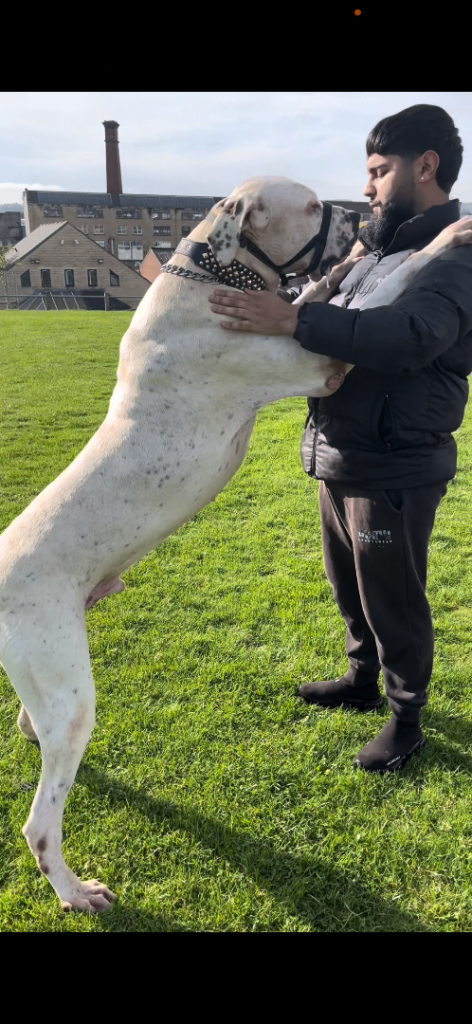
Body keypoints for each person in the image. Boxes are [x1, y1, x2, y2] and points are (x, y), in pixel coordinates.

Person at [207, 104, 472, 773]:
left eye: (380, 172)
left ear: (426, 166)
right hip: (343, 448)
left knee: (393, 593)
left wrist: (293, 322)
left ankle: (406, 717)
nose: (370, 186)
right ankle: (361, 681)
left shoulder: (458, 254)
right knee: (350, 586)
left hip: (396, 459)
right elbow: (328, 309)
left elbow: (412, 339)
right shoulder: (380, 252)